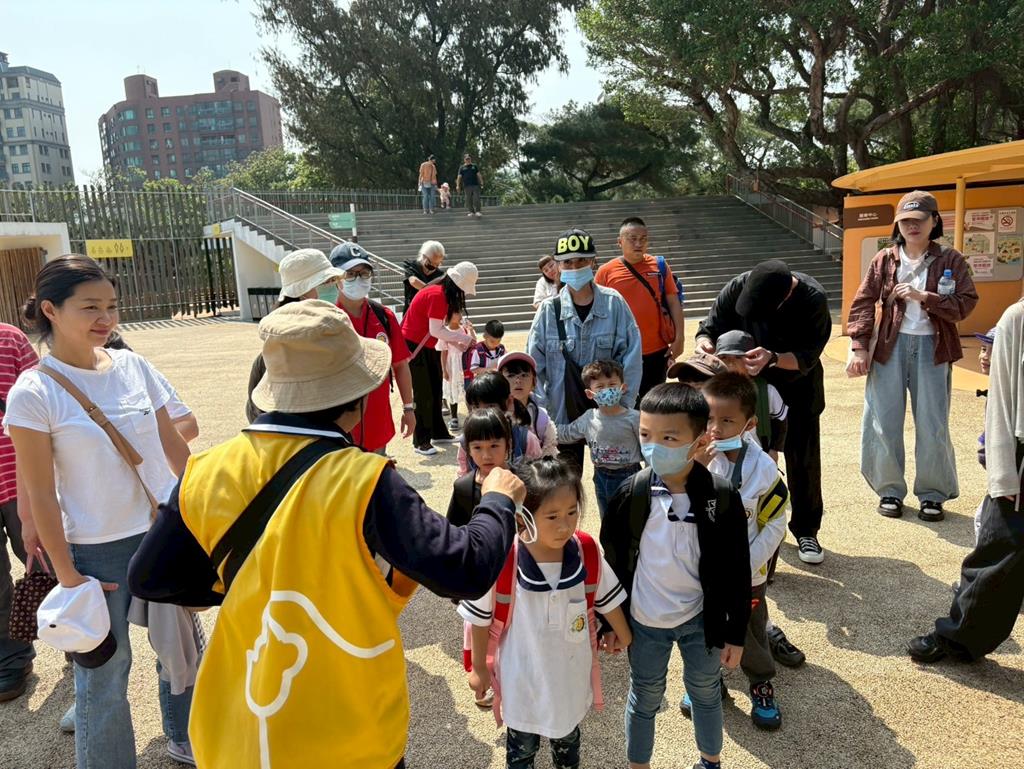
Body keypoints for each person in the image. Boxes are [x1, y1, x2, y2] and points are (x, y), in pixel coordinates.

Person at [126, 300, 526, 769]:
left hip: (245, 726)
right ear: (357, 399)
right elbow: (464, 569)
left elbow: (150, 578)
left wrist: (244, 585)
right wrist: (497, 501)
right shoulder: (366, 480)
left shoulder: (207, 470)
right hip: (350, 727)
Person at [3, 255, 194, 768]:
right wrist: (69, 577)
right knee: (106, 673)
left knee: (179, 650)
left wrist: (196, 512)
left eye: (111, 306)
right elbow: (40, 493)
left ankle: (184, 736)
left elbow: (173, 445)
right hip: (95, 551)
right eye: (90, 307)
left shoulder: (134, 367)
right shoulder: (33, 392)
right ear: (50, 310)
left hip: (161, 531)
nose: (105, 318)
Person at [600, 383, 750, 769]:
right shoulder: (632, 494)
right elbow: (612, 562)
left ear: (700, 439)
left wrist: (736, 633)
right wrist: (610, 622)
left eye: (669, 438)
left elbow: (737, 567)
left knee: (705, 692)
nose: (654, 447)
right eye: (646, 435)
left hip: (701, 621)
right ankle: (639, 765)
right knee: (645, 696)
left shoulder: (721, 496)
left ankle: (710, 761)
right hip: (645, 621)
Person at [461, 457, 632, 769]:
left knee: (568, 746)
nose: (564, 525)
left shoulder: (585, 551)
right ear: (523, 516)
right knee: (521, 752)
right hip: (521, 685)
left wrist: (624, 635)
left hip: (569, 683)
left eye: (572, 512)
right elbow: (480, 618)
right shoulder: (504, 558)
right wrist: (480, 668)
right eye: (552, 516)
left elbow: (606, 598)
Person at [847, 190, 978, 523]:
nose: (911, 226)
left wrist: (925, 297)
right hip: (889, 347)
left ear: (934, 221)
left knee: (933, 423)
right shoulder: (884, 259)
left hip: (934, 348)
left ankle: (932, 494)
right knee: (882, 420)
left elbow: (965, 304)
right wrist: (859, 345)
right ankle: (889, 490)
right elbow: (863, 301)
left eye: (918, 220)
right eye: (905, 221)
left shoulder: (951, 259)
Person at [908, 299, 1024, 664]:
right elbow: (1002, 401)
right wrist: (1003, 473)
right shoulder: (1017, 319)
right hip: (1022, 460)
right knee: (999, 552)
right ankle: (960, 637)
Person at [696, 259, 831, 564]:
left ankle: (806, 529)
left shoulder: (813, 300)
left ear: (785, 296)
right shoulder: (738, 285)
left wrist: (773, 358)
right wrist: (705, 346)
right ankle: (747, 523)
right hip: (742, 387)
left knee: (803, 458)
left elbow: (807, 357)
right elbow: (708, 329)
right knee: (736, 453)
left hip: (797, 387)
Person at [687, 373, 790, 731]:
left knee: (750, 628)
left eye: (727, 420)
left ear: (750, 424)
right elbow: (678, 512)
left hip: (748, 573)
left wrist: (745, 566)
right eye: (709, 418)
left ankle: (760, 681)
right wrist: (696, 470)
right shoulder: (694, 457)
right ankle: (707, 679)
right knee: (703, 625)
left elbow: (775, 524)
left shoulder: (764, 470)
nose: (715, 428)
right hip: (703, 570)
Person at [527, 227, 642, 471]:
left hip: (609, 410)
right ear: (558, 266)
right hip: (561, 413)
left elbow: (632, 358)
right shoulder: (548, 311)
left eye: (581, 260)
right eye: (567, 262)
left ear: (593, 261)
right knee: (565, 482)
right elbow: (533, 367)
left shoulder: (614, 303)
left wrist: (623, 407)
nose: (575, 267)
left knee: (613, 479)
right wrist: (543, 415)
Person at [329, 242, 416, 454]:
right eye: (350, 274)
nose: (359, 279)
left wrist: (408, 408)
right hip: (338, 425)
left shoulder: (384, 316)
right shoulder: (326, 320)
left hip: (377, 421)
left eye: (364, 273)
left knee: (376, 471)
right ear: (335, 278)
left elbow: (400, 365)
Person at [245, 248, 344, 423]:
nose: (333, 287)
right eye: (326, 282)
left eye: (334, 280)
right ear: (300, 293)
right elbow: (257, 414)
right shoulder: (270, 358)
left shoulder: (340, 336)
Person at [595, 217, 685, 401]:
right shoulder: (605, 272)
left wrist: (680, 338)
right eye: (632, 239)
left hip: (657, 350)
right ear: (620, 242)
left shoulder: (659, 266)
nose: (639, 244)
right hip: (621, 352)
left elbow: (674, 302)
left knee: (654, 401)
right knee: (624, 402)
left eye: (643, 239)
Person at [401, 261, 478, 455]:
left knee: (436, 390)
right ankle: (421, 441)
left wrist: (458, 343)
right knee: (424, 394)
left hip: (426, 345)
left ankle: (437, 431)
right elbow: (436, 330)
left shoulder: (439, 293)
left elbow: (438, 331)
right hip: (415, 347)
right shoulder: (438, 295)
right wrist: (464, 339)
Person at [0, 321, 39, 703]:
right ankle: (12, 660)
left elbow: (44, 400)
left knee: (44, 561)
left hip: (17, 476)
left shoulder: (9, 339)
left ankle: (77, 639)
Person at [555, 360, 641, 518]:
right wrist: (544, 427)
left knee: (629, 519)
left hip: (629, 476)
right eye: (600, 387)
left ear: (623, 388)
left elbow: (647, 447)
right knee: (607, 518)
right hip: (600, 476)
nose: (607, 390)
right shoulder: (589, 418)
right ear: (590, 394)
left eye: (612, 384)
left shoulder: (635, 418)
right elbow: (567, 433)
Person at [712, 330, 788, 459]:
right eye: (724, 357)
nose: (731, 363)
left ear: (752, 359)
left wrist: (774, 449)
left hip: (758, 456)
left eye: (738, 357)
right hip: (720, 457)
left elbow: (780, 421)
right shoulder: (711, 393)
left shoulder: (765, 391)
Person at [457, 372, 543, 475]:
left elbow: (539, 477)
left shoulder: (526, 440)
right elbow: (463, 474)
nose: (484, 414)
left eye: (490, 407)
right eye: (476, 407)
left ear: (509, 402)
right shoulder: (466, 441)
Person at [447, 408, 515, 527]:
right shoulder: (464, 488)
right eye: (477, 447)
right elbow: (454, 532)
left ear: (508, 445)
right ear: (468, 449)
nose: (486, 456)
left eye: (494, 446)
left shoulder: (523, 482)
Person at [498, 352, 558, 457]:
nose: (518, 380)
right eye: (511, 375)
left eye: (524, 375)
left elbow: (550, 454)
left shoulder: (541, 417)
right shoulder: (495, 414)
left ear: (534, 382)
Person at [438, 310, 472, 431]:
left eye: (459, 313)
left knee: (467, 388)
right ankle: (454, 417)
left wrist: (470, 329)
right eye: (456, 313)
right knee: (453, 389)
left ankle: (471, 415)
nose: (459, 315)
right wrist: (444, 370)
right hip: (451, 364)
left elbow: (472, 343)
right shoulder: (444, 332)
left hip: (464, 363)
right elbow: (443, 353)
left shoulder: (464, 329)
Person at [402, 240, 446, 312]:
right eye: (431, 263)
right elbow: (414, 281)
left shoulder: (440, 275)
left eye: (437, 264)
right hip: (411, 310)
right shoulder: (412, 265)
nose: (434, 266)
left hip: (428, 312)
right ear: (423, 256)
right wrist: (432, 292)